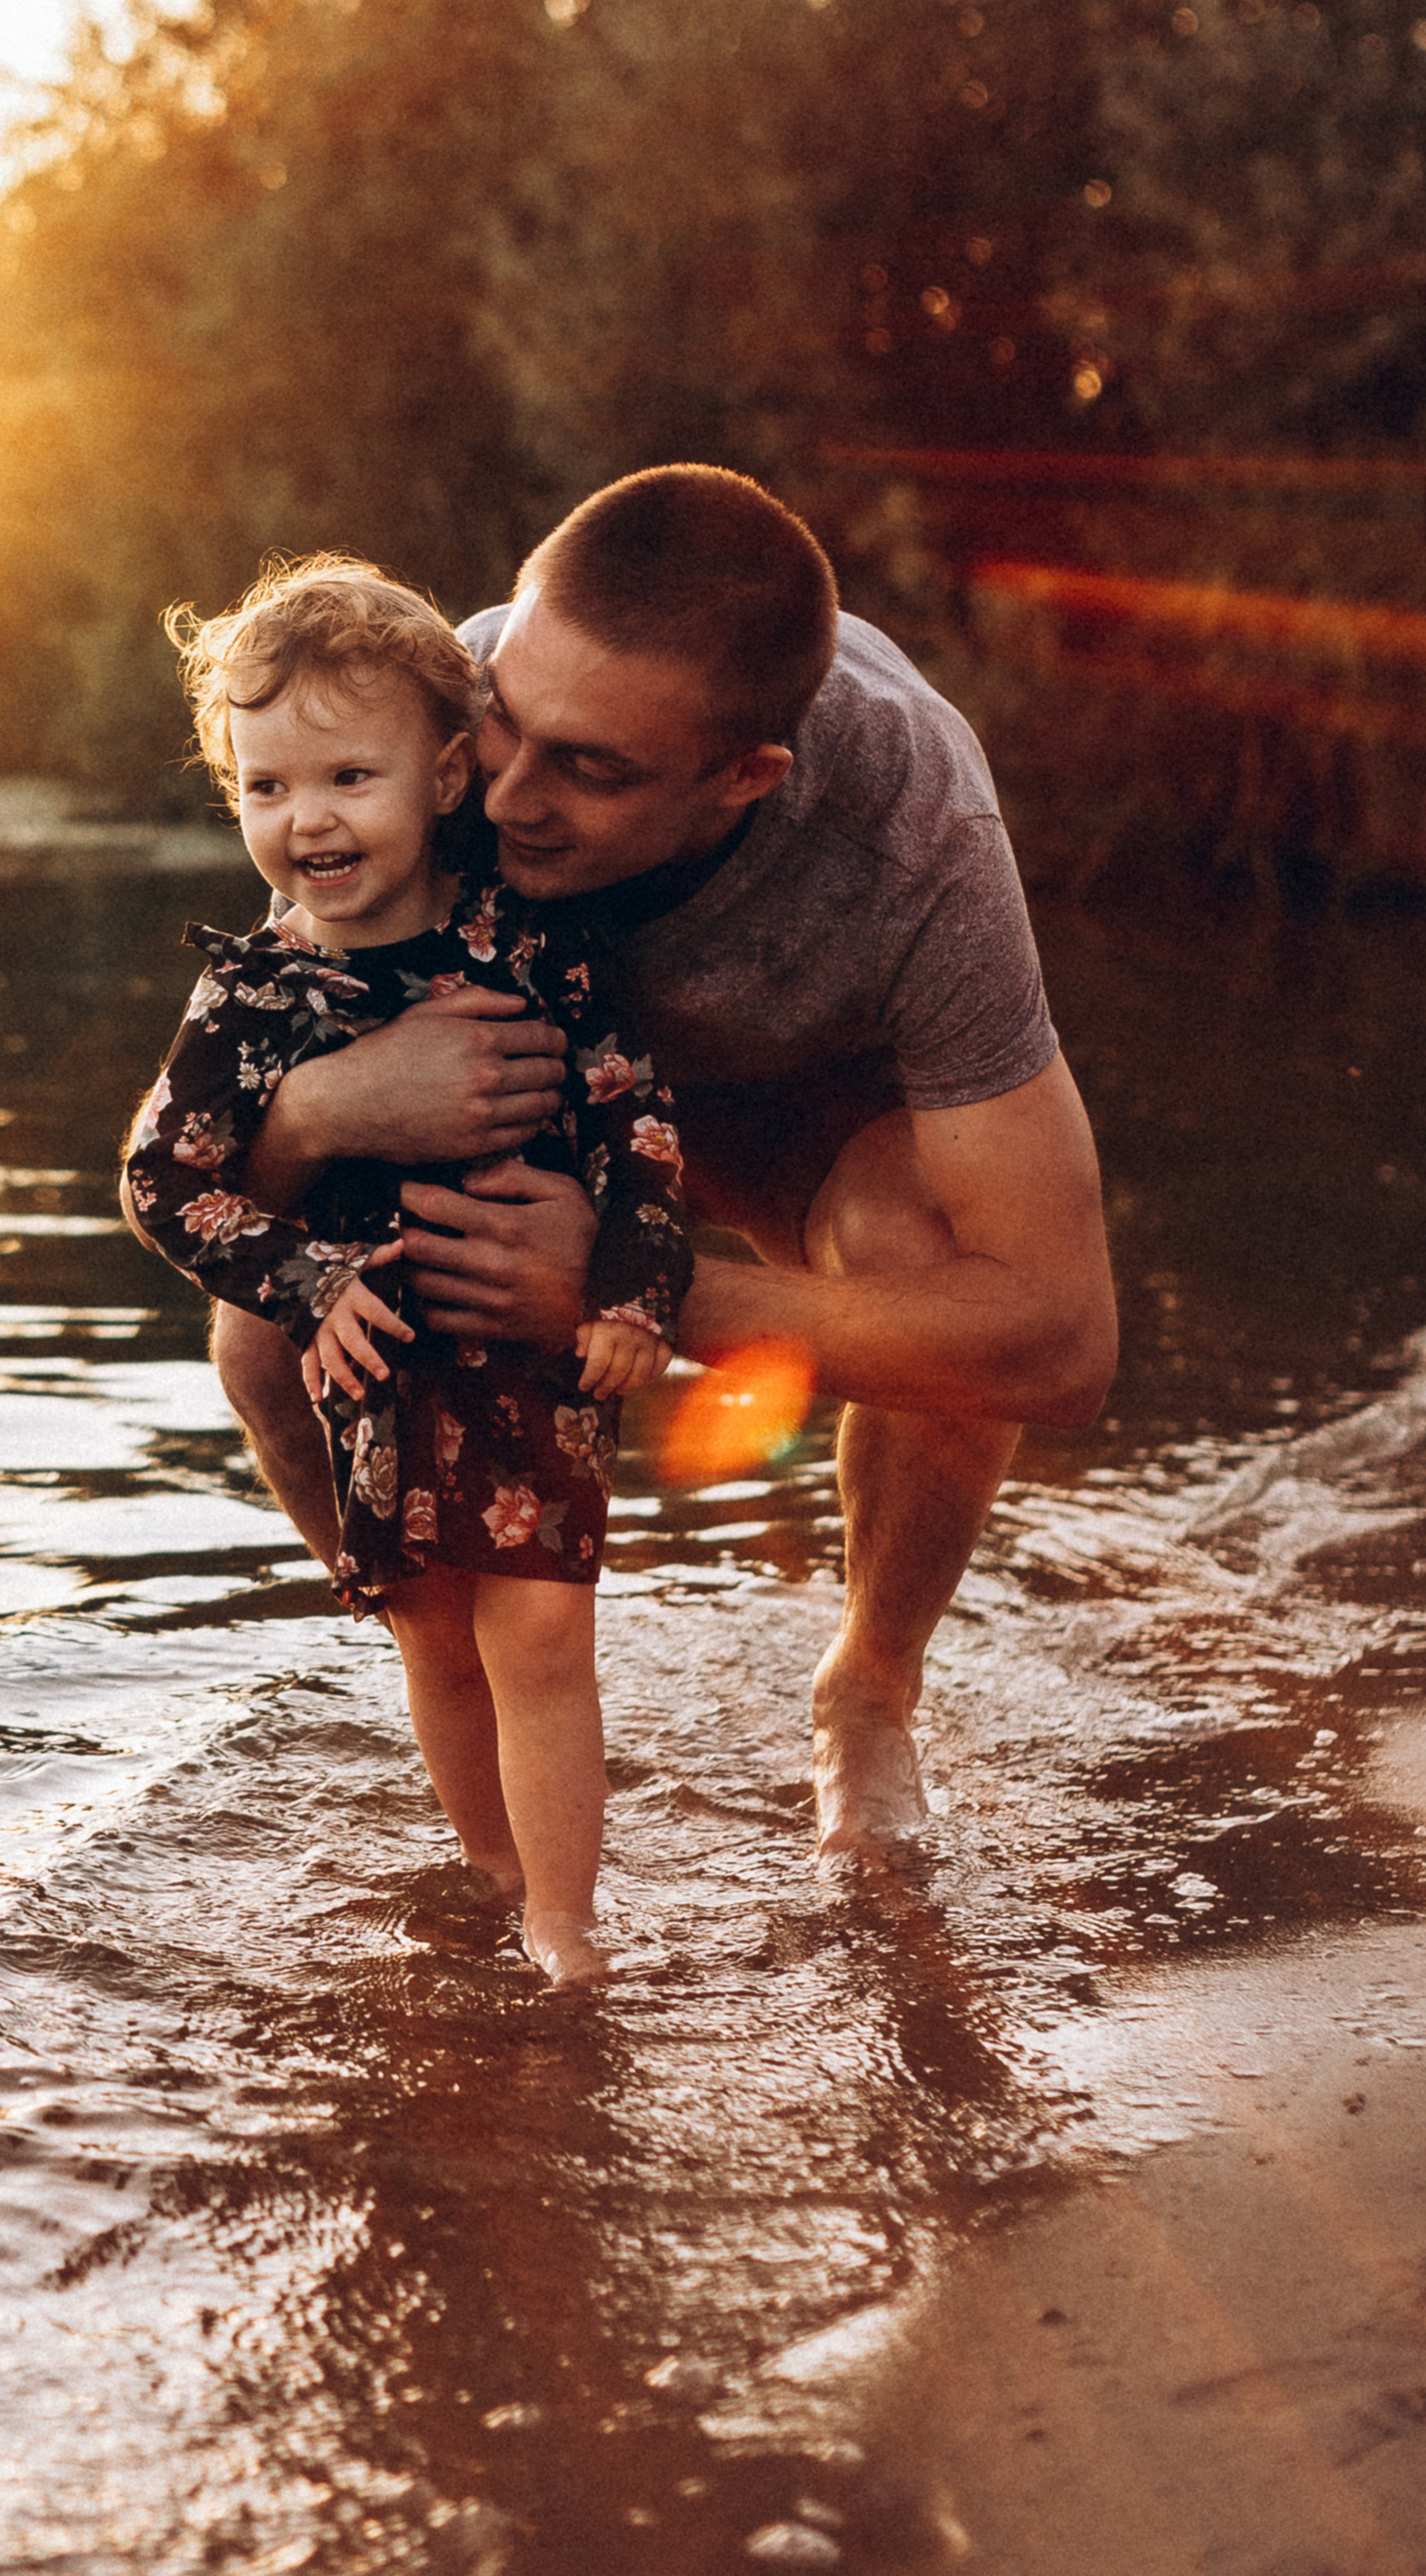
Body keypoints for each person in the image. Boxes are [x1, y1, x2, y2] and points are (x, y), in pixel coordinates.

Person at [211, 466, 1121, 1861]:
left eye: (593, 767)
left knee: (919, 1255)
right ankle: (446, 1670)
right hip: (547, 1082)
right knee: (266, 1342)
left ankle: (869, 1688)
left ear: (741, 779)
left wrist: (631, 1292)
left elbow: (1060, 1346)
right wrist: (332, 1108)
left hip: (811, 1107)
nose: (505, 796)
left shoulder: (918, 837)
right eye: (510, 718)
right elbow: (229, 1160)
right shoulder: (429, 727)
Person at [122, 559, 694, 1983]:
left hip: (526, 1347)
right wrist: (307, 1280)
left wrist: (636, 1292)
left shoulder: (531, 951)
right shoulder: (251, 999)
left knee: (544, 1632)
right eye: (264, 787)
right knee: (436, 1639)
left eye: (347, 777)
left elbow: (635, 1118)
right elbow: (158, 1183)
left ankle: (567, 1929)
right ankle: (492, 1874)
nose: (305, 819)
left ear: (445, 776)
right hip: (370, 1369)